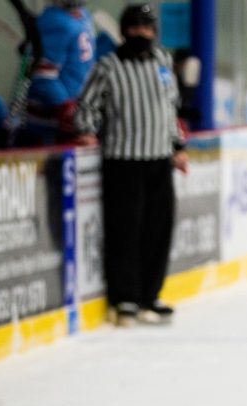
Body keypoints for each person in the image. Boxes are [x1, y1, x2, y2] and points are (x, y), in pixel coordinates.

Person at [73, 4, 188, 326]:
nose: (142, 33)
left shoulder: (163, 62)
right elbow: (86, 108)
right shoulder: (107, 67)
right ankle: (124, 298)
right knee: (125, 232)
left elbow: (169, 109)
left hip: (159, 160)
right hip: (123, 161)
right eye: (135, 27)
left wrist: (177, 146)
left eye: (147, 27)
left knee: (158, 231)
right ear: (124, 31)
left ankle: (149, 296)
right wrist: (86, 131)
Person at [23, 0, 95, 145]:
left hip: (76, 118)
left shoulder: (84, 16)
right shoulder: (54, 20)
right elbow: (42, 76)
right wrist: (67, 110)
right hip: (50, 126)